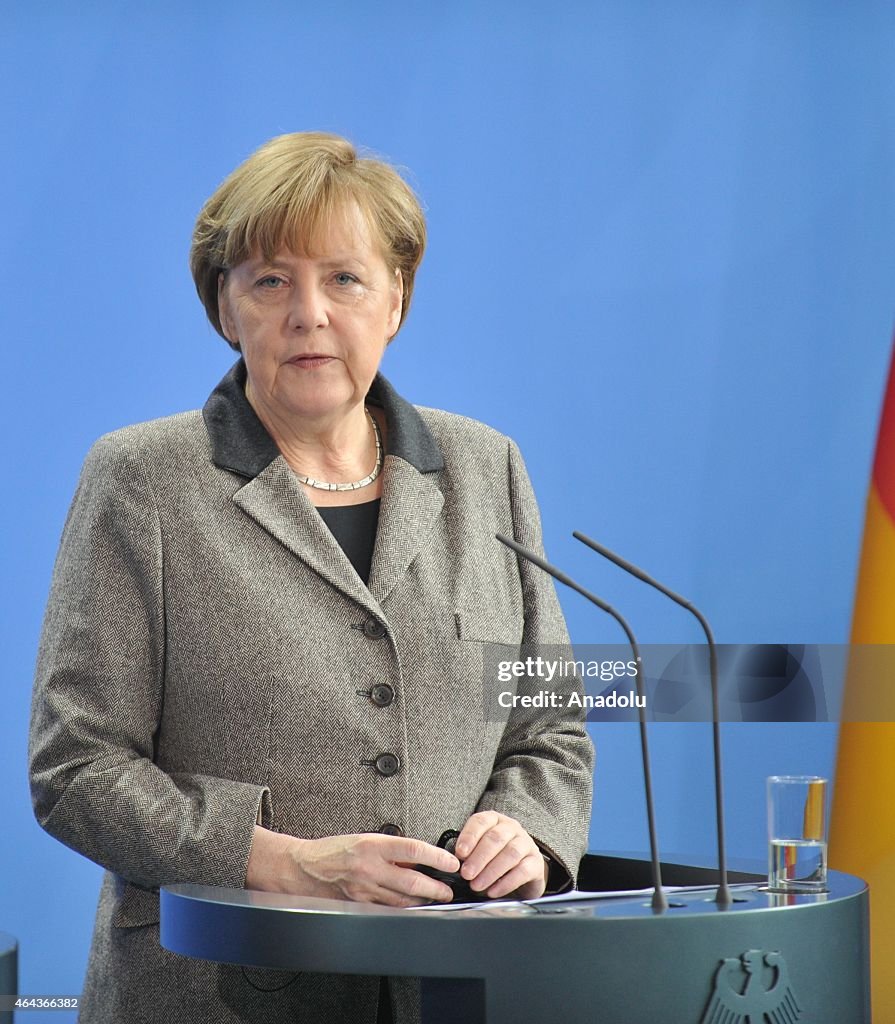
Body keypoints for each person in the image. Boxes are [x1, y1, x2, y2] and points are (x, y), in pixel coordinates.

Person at [29, 131, 594, 1024]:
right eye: (269, 280)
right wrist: (288, 864)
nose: (309, 313)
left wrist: (525, 830)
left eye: (344, 278)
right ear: (226, 307)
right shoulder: (143, 480)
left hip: (454, 986)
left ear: (395, 299)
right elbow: (77, 768)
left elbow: (547, 728)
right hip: (215, 988)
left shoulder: (485, 468)